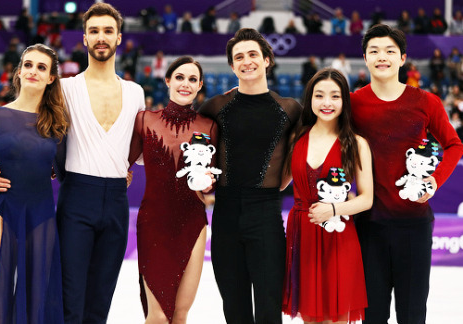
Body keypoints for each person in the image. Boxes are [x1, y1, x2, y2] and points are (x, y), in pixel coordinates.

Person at [0, 3, 145, 323]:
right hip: (76, 200)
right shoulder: (64, 88)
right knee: (68, 302)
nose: (101, 37)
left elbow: (142, 153)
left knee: (100, 304)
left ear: (119, 38)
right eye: (94, 31)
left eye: (108, 31)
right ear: (84, 39)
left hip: (116, 203)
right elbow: (25, 123)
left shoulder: (136, 92)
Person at [351, 24, 463, 324]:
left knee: (412, 315)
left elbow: (454, 145)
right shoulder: (352, 104)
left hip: (414, 225)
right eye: (374, 51)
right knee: (372, 315)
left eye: (389, 51)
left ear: (402, 59)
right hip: (367, 225)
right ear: (365, 58)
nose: (381, 57)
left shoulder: (426, 102)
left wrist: (435, 180)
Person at [198, 28, 302, 324]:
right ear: (232, 66)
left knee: (269, 309)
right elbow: (191, 142)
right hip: (226, 212)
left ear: (267, 59)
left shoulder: (289, 109)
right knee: (235, 307)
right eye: (239, 57)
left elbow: (300, 157)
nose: (247, 61)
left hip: (266, 213)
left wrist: (279, 187)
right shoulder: (216, 106)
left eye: (253, 54)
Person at [0, 43, 68, 323]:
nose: (33, 71)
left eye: (42, 67)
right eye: (29, 64)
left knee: (36, 305)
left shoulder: (57, 124)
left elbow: (65, 173)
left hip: (42, 217)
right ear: (19, 71)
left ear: (51, 78)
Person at [129, 56, 217, 323]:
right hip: (154, 222)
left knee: (180, 314)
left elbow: (213, 178)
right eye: (179, 77)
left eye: (192, 79)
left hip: (192, 223)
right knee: (157, 316)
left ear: (200, 85)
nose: (185, 84)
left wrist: (209, 184)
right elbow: (119, 162)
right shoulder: (144, 120)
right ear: (167, 81)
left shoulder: (209, 126)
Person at [282, 67, 371, 323]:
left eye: (335, 96)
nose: (327, 102)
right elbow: (278, 183)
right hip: (302, 233)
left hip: (338, 235)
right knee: (310, 316)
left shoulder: (356, 143)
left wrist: (333, 209)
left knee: (337, 317)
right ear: (310, 99)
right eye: (320, 95)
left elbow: (366, 199)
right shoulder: (296, 138)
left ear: (344, 101)